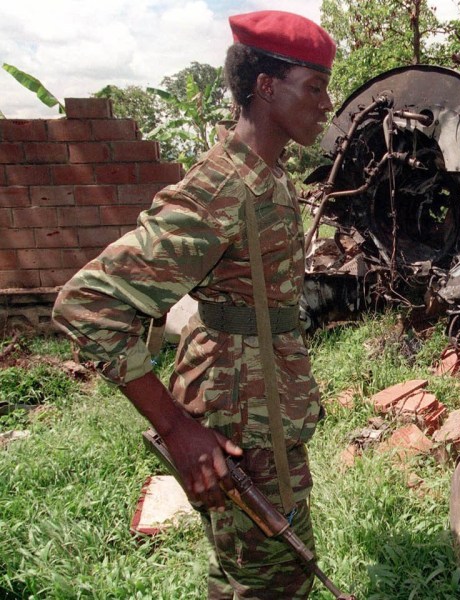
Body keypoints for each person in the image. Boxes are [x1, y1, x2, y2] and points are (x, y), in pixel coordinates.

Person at [52, 10, 335, 599]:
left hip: (264, 409)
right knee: (274, 582)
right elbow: (86, 303)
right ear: (266, 88)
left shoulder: (268, 174)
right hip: (241, 426)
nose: (326, 103)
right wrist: (178, 429)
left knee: (244, 575)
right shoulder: (223, 189)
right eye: (314, 87)